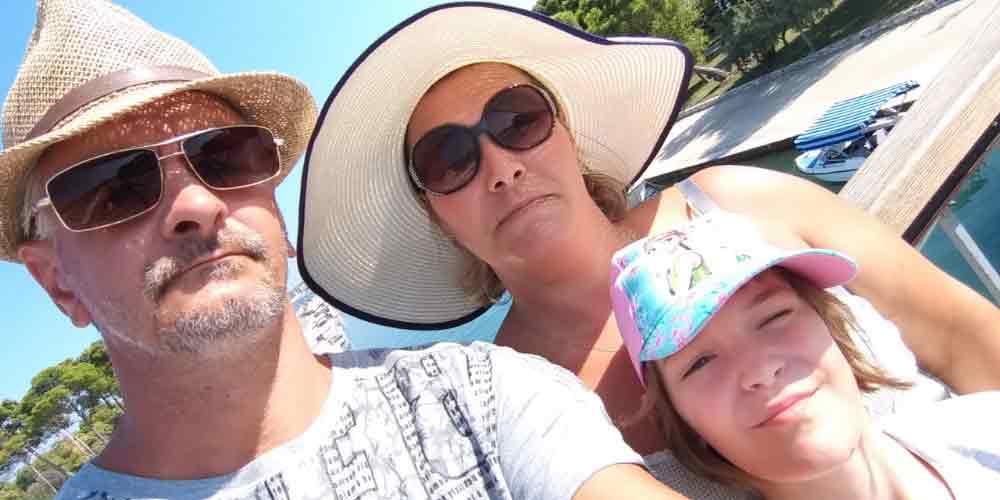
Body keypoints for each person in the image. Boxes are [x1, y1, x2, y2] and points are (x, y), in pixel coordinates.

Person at [297, 2, 1000, 497]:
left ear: (565, 130)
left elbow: (967, 340)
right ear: (436, 213)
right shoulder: (507, 397)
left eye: (517, 120)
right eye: (450, 160)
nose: (501, 167)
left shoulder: (743, 201)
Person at [2, 1, 684, 499]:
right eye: (114, 188)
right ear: (56, 281)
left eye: (225, 156)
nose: (197, 204)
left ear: (276, 210)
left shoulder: (487, 397)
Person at [610, 213, 1000, 499]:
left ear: (833, 325)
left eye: (774, 317)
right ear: (685, 423)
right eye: (700, 363)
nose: (760, 370)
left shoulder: (985, 428)